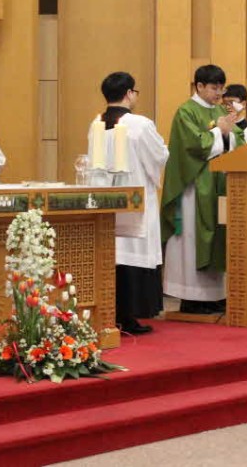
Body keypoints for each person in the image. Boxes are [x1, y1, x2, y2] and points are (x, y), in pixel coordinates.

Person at [86, 72, 169, 335]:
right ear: (129, 93)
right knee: (133, 248)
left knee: (115, 252)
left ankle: (111, 312)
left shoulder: (96, 123)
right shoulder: (140, 124)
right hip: (135, 198)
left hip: (106, 198)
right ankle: (129, 314)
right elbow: (159, 156)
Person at [161, 64, 245, 315]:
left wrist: (227, 134)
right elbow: (192, 145)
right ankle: (191, 297)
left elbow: (238, 139)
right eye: (213, 88)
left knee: (217, 236)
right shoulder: (186, 111)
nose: (219, 93)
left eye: (221, 88)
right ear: (199, 86)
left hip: (218, 184)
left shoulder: (221, 110)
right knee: (192, 239)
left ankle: (214, 296)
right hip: (194, 186)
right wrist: (220, 131)